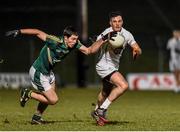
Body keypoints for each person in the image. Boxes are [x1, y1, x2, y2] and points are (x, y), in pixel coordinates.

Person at [5, 26, 116, 124]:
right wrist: (19, 31)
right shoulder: (55, 41)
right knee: (53, 100)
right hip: (39, 72)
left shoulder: (74, 44)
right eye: (72, 39)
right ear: (65, 37)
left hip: (48, 72)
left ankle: (36, 117)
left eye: (76, 39)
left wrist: (103, 39)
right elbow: (37, 32)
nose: (75, 41)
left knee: (48, 97)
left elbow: (89, 50)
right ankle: (27, 93)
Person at [91, 11, 142, 126]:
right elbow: (95, 44)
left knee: (105, 93)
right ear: (110, 23)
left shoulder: (127, 34)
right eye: (114, 21)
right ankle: (102, 110)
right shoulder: (107, 32)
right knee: (123, 85)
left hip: (114, 66)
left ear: (122, 22)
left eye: (119, 21)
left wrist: (137, 51)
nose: (117, 24)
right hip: (103, 66)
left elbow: (137, 48)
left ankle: (96, 112)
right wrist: (100, 40)